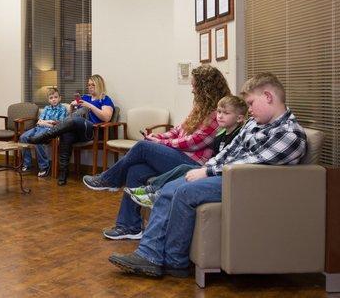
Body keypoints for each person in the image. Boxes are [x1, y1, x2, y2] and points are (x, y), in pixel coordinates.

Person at [108, 72, 307, 278]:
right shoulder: (253, 124)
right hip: (229, 175)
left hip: (245, 183)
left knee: (184, 191)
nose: (248, 110)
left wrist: (207, 171)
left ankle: (174, 261)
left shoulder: (289, 134)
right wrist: (207, 168)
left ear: (268, 97)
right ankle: (150, 255)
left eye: (250, 103)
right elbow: (227, 153)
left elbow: (250, 164)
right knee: (169, 188)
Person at [82, 64, 230, 240]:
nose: (192, 90)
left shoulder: (217, 113)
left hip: (192, 164)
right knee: (135, 171)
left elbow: (194, 142)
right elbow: (177, 130)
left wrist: (162, 143)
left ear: (206, 88)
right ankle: (129, 227)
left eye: (195, 86)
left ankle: (109, 179)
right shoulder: (200, 108)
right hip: (180, 156)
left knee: (142, 147)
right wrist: (157, 138)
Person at [124, 95, 247, 208]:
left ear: (240, 118)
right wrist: (160, 137)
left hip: (218, 173)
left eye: (225, 113)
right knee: (183, 167)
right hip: (209, 167)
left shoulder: (239, 136)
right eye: (219, 112)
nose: (219, 116)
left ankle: (152, 192)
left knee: (143, 147)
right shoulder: (220, 135)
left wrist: (205, 170)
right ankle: (150, 188)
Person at [28, 74, 114, 186]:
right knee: (66, 134)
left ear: (99, 85)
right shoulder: (85, 97)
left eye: (93, 85)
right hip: (78, 129)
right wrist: (73, 107)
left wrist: (89, 105)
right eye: (88, 85)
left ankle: (45, 136)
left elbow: (106, 117)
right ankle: (63, 174)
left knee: (73, 121)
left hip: (93, 130)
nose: (90, 87)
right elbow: (72, 116)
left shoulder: (105, 99)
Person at [19, 87, 68, 177]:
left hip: (50, 131)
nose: (53, 99)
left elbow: (58, 124)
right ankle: (27, 164)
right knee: (23, 137)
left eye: (55, 97)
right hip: (39, 128)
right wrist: (48, 122)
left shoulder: (63, 109)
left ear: (60, 98)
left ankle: (44, 166)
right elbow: (39, 121)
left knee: (38, 139)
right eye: (51, 98)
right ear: (48, 100)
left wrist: (45, 122)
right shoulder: (46, 108)